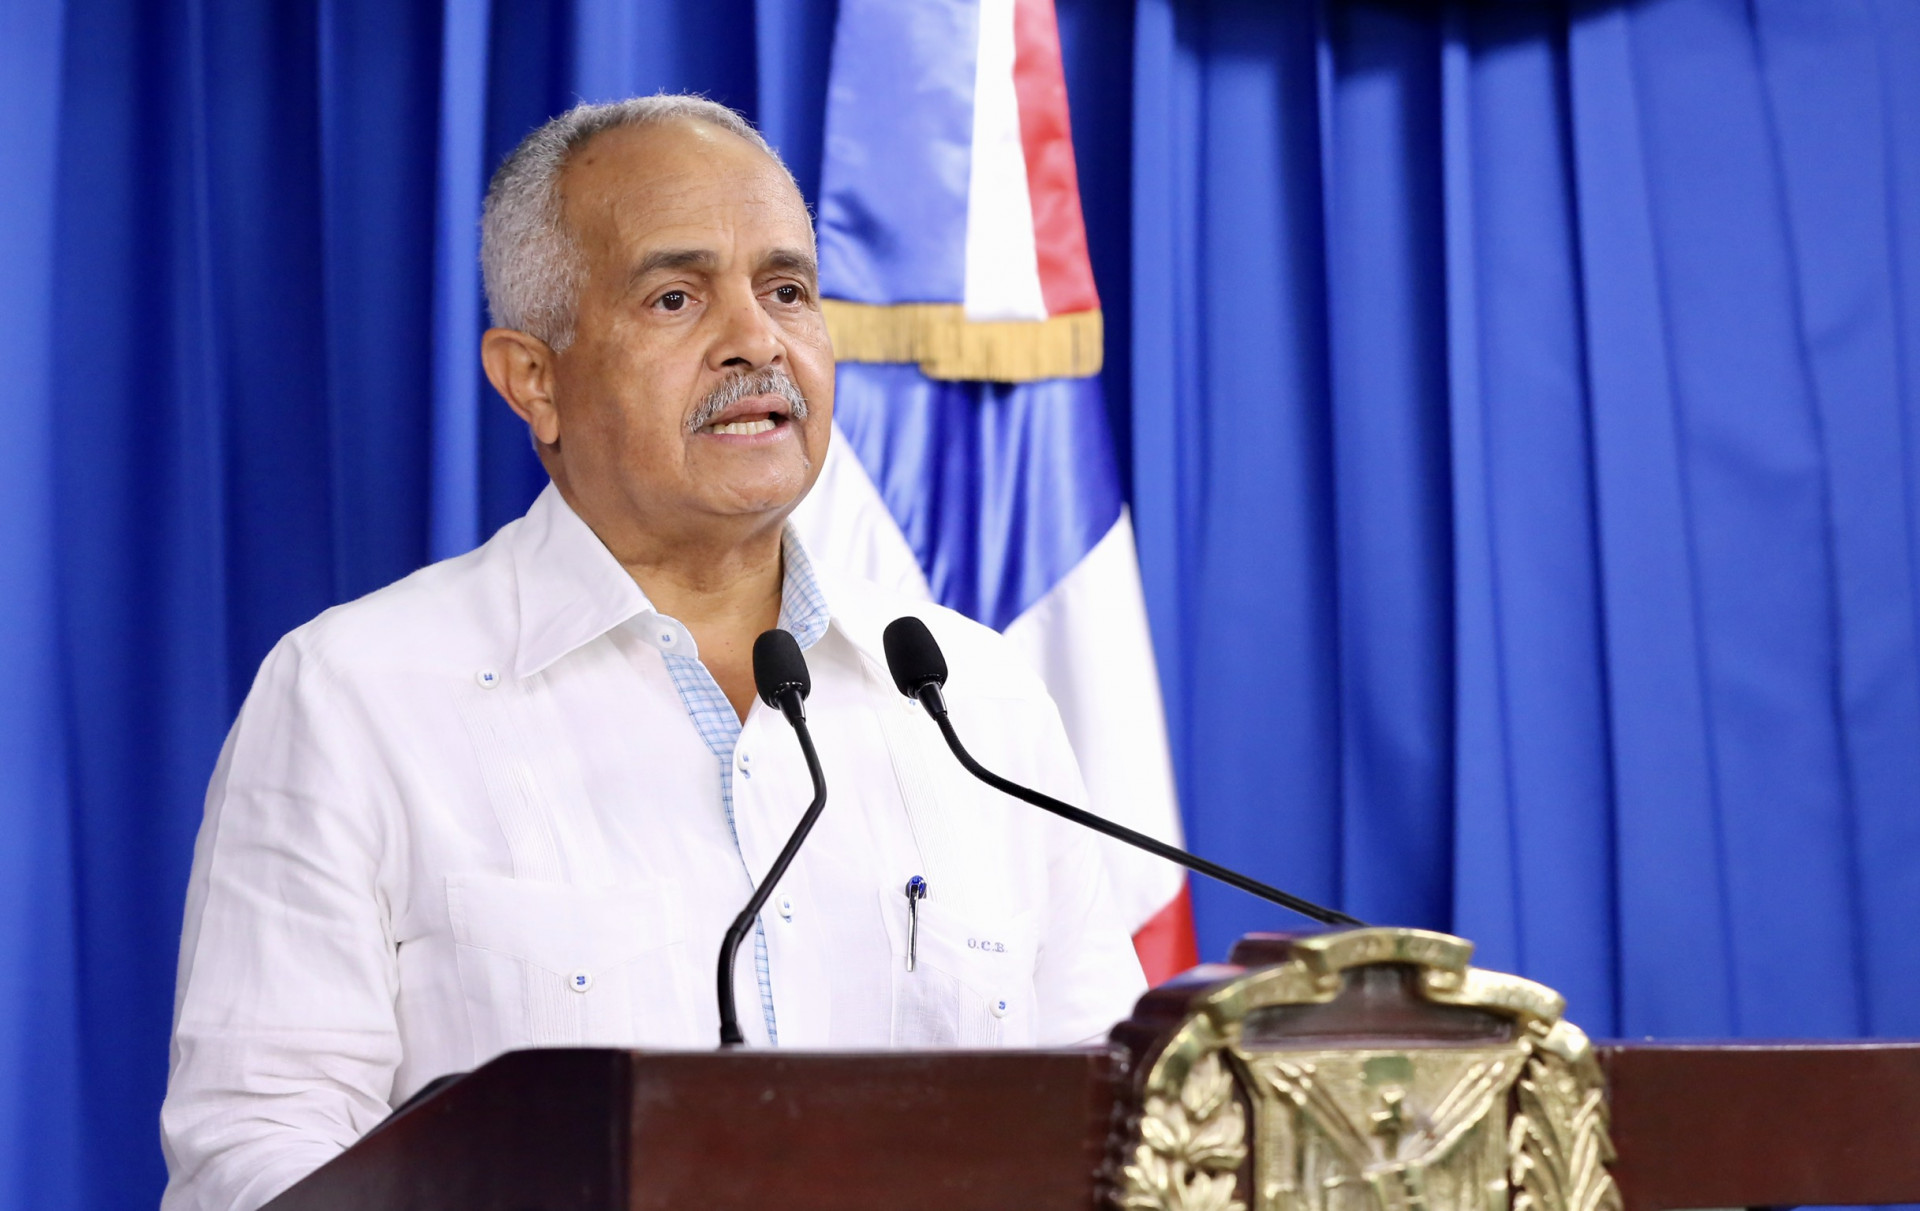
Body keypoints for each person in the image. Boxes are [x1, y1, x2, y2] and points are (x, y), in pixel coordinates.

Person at [158, 96, 1145, 1211]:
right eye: (677, 297)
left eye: (787, 290)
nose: (758, 341)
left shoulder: (972, 700)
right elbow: (253, 1156)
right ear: (534, 378)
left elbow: (1133, 1136)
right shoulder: (355, 696)